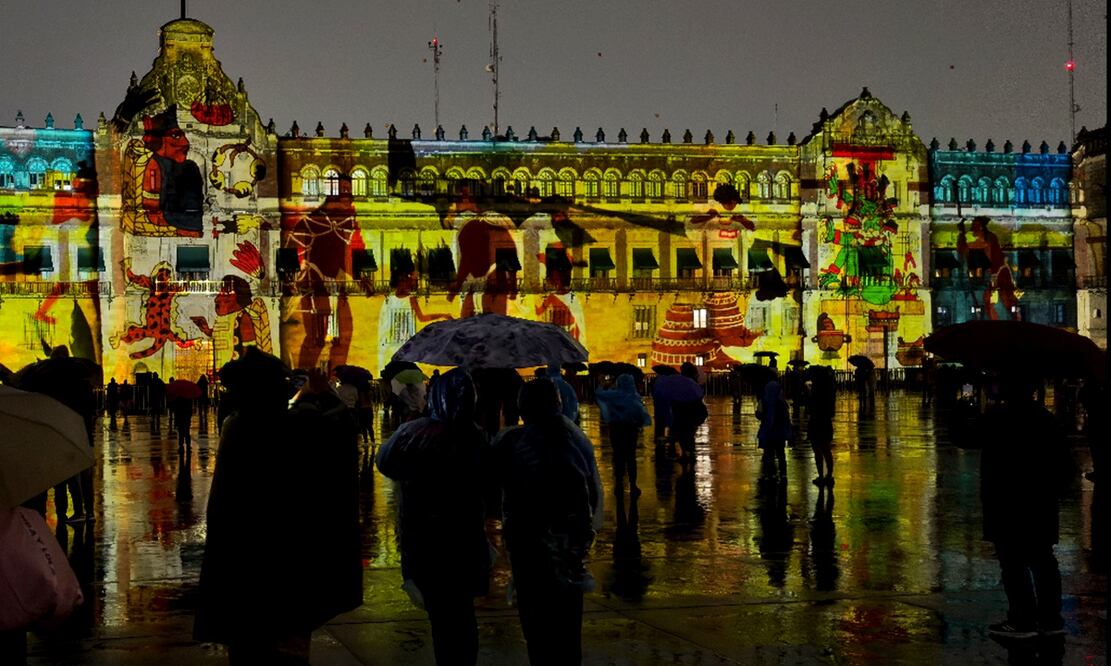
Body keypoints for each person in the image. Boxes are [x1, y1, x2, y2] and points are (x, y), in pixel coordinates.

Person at [195, 349, 361, 662]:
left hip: (240, 570)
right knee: (284, 651)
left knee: (247, 649)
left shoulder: (237, 427)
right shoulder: (291, 428)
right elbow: (339, 429)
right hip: (285, 570)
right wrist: (321, 394)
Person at [376, 369, 492, 665]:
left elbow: (385, 463)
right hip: (466, 538)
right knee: (461, 614)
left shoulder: (416, 432)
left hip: (426, 539)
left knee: (442, 616)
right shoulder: (475, 436)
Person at [493, 379, 603, 665]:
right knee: (567, 627)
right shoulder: (573, 440)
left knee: (537, 624)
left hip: (528, 544)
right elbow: (589, 493)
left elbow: (490, 487)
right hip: (566, 548)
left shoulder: (512, 442)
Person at [981, 373, 1072, 640]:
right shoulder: (1046, 419)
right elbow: (1065, 467)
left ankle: (1022, 619)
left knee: (1013, 562)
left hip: (1007, 503)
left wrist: (960, 411)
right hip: (1040, 503)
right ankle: (1051, 618)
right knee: (1043, 561)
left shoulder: (998, 419)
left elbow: (967, 438)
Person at [595, 373, 651, 498]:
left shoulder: (613, 395)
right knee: (631, 457)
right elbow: (641, 414)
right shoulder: (634, 397)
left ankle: (619, 484)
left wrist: (603, 385)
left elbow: (599, 394)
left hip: (616, 428)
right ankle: (633, 485)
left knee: (618, 455)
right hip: (631, 430)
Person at [669, 363, 708, 466]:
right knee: (689, 432)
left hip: (680, 409)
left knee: (682, 433)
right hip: (690, 410)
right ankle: (690, 452)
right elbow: (699, 394)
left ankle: (685, 453)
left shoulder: (677, 381)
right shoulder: (692, 383)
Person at [807, 366, 836, 486]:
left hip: (816, 421)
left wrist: (808, 392)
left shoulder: (816, 389)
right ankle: (829, 475)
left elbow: (811, 405)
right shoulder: (829, 389)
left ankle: (821, 475)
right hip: (825, 421)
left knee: (817, 450)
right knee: (826, 450)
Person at [756, 380, 792, 479]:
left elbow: (759, 415)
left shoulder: (764, 400)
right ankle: (783, 473)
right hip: (779, 432)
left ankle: (770, 473)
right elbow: (786, 418)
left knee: (768, 454)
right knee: (781, 454)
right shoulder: (782, 403)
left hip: (768, 431)